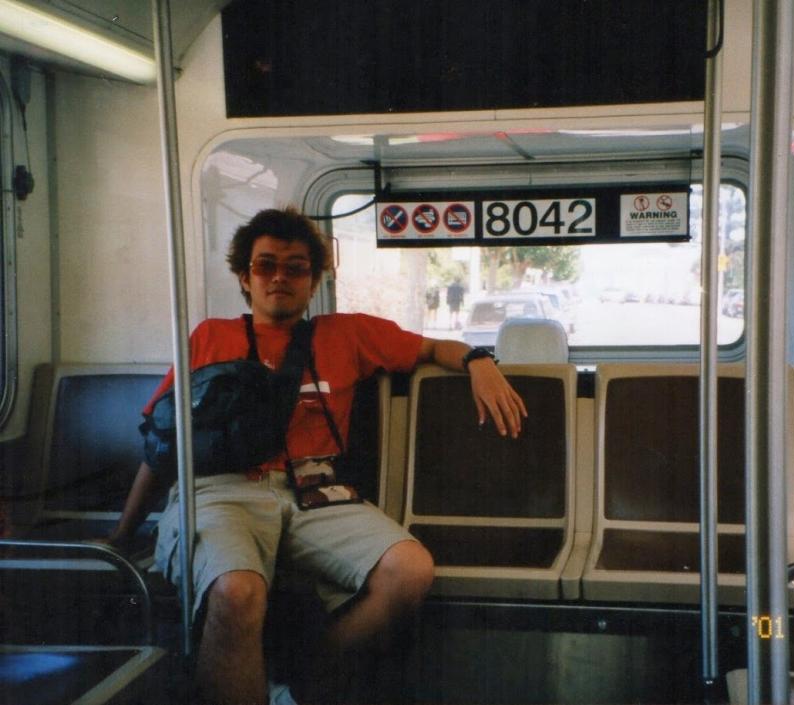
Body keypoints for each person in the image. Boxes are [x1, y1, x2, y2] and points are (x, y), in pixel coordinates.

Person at [106, 207, 527, 705]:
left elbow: (434, 348)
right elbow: (162, 445)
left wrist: (479, 361)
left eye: (296, 267)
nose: (280, 277)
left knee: (409, 571)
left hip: (316, 490)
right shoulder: (209, 338)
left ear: (314, 280)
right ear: (245, 277)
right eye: (266, 266)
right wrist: (121, 534)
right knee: (237, 593)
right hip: (220, 489)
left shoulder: (346, 334)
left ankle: (303, 677)